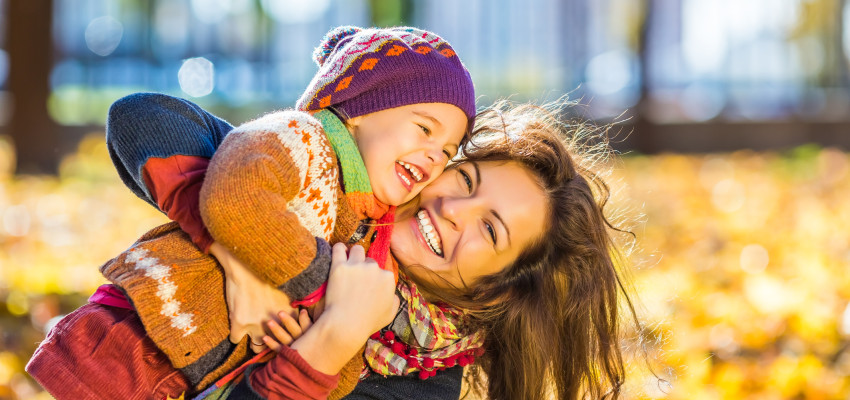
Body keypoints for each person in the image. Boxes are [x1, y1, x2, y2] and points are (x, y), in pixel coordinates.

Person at [27, 25, 476, 400]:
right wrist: (312, 290)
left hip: (197, 382)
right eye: (423, 128)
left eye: (447, 151)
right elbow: (236, 198)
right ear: (360, 110)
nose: (434, 154)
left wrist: (308, 338)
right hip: (131, 347)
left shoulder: (371, 236)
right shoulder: (301, 144)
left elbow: (341, 374)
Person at [111, 98, 640, 400]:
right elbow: (141, 120)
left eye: (491, 230)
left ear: (498, 287)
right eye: (466, 180)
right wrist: (242, 253)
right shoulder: (329, 202)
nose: (455, 210)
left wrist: (333, 338)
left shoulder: (418, 384)